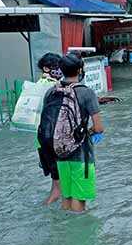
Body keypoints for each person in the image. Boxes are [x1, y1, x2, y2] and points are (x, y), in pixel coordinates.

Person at [39, 53, 104, 213]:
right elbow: (99, 127)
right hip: (81, 155)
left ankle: (64, 233)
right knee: (79, 201)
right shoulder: (86, 93)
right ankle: (79, 236)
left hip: (59, 154)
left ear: (61, 70)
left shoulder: (51, 92)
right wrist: (84, 133)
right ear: (80, 70)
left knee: (66, 198)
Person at [36, 53, 63, 205]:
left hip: (42, 138)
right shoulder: (50, 86)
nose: (60, 70)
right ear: (46, 68)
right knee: (57, 187)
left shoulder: (38, 85)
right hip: (51, 138)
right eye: (57, 67)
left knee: (57, 182)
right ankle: (46, 212)